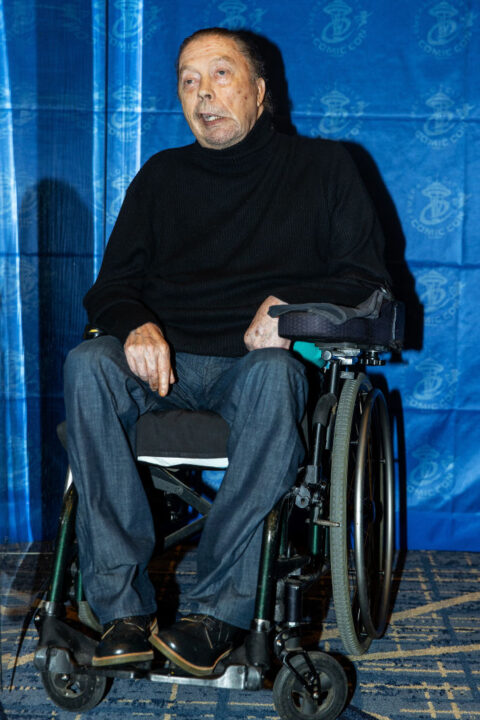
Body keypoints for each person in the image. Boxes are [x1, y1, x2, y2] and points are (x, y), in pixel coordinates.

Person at [63, 27, 389, 677]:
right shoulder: (161, 177)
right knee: (87, 363)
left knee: (273, 375)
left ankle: (216, 610)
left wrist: (290, 304)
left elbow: (365, 279)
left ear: (260, 91)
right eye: (188, 80)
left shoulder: (326, 169)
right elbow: (112, 287)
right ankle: (122, 607)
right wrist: (134, 325)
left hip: (255, 367)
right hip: (164, 367)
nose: (203, 93)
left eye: (220, 75)